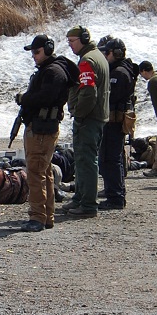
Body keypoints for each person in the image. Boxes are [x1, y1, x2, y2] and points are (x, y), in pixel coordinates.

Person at [15, 34, 72, 231]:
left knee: (36, 172)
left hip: (41, 128)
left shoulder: (53, 72)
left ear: (47, 50)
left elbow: (45, 98)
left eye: (37, 52)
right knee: (44, 171)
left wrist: (25, 98)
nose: (34, 56)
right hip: (42, 126)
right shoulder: (51, 71)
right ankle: (46, 216)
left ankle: (38, 217)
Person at [63, 26, 109, 218]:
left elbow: (89, 93)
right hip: (95, 116)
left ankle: (88, 204)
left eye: (72, 41)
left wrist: (79, 113)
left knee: (86, 161)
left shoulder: (87, 61)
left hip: (89, 118)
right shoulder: (97, 56)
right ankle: (80, 197)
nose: (70, 45)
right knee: (83, 160)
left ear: (82, 39)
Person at [97, 36, 137, 209]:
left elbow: (110, 96)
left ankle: (115, 197)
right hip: (112, 121)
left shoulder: (119, 73)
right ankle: (113, 192)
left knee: (110, 159)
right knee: (112, 158)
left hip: (113, 122)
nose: (105, 55)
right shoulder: (119, 70)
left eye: (108, 52)